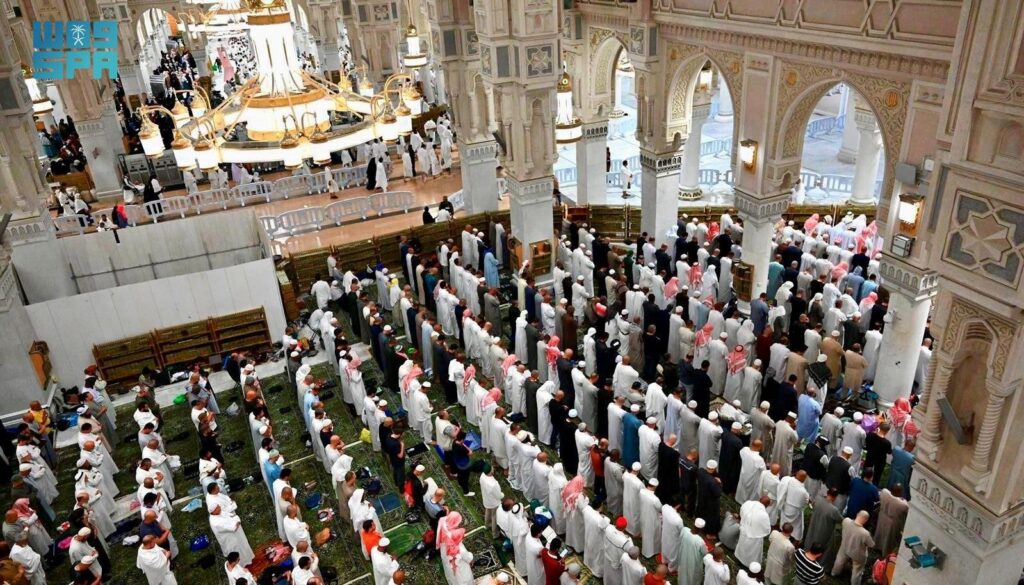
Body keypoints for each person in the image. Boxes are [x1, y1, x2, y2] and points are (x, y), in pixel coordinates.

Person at [831, 511, 874, 585]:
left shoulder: (846, 521)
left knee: (839, 561)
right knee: (857, 570)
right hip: (857, 554)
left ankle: (834, 573)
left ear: (857, 514)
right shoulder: (865, 533)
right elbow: (871, 545)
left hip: (845, 547)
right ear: (866, 520)